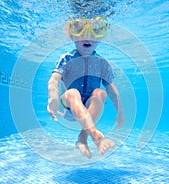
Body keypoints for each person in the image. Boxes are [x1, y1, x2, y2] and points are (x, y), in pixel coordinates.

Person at [47, 16, 125, 159]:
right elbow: (54, 80)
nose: (88, 35)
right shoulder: (67, 58)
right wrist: (53, 98)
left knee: (100, 92)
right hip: (70, 108)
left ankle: (82, 138)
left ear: (101, 37)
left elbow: (112, 91)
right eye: (80, 29)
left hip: (91, 108)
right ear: (72, 35)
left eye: (95, 30)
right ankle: (97, 137)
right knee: (72, 93)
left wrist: (120, 112)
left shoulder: (103, 63)